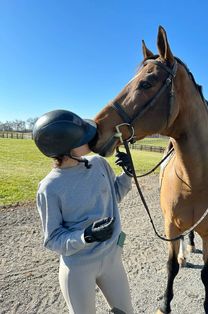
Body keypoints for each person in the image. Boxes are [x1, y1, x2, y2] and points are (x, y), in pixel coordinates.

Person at [33, 109, 134, 314]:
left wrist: (128, 175)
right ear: (67, 147)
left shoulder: (99, 164)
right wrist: (85, 236)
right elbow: (53, 239)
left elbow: (114, 196)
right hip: (78, 267)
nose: (93, 137)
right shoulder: (49, 188)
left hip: (111, 258)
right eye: (84, 136)